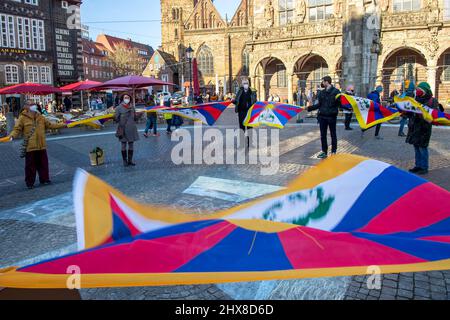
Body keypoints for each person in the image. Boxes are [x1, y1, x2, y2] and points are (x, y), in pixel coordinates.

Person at [8, 100, 67, 189]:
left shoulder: (40, 117)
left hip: (41, 145)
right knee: (30, 166)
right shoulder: (22, 118)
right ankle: (30, 183)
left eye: (34, 104)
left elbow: (50, 125)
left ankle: (44, 179)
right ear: (26, 106)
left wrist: (64, 124)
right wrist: (12, 136)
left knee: (43, 164)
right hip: (30, 146)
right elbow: (17, 129)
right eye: (31, 104)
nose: (33, 105)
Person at [406, 82, 439, 175]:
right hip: (414, 127)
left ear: (425, 91)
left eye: (419, 90)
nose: (417, 91)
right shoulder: (415, 99)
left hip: (424, 128)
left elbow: (434, 114)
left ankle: (424, 167)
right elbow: (410, 112)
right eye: (417, 90)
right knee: (416, 146)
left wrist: (420, 112)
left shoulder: (432, 101)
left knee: (422, 147)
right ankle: (418, 166)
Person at [307, 76, 341, 159]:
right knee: (323, 135)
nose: (322, 83)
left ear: (327, 82)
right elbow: (319, 105)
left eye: (323, 81)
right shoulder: (321, 93)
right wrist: (309, 108)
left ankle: (333, 152)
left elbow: (340, 104)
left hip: (332, 117)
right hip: (322, 117)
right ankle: (324, 152)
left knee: (333, 134)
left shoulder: (336, 92)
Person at [114, 94, 140, 167]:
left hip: (132, 128)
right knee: (123, 145)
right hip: (123, 129)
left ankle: (130, 161)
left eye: (128, 97)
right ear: (122, 98)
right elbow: (116, 119)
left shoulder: (132, 107)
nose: (127, 99)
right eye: (125, 97)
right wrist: (115, 116)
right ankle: (124, 161)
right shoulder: (118, 108)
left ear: (130, 98)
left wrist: (139, 115)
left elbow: (135, 118)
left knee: (131, 145)